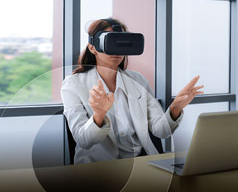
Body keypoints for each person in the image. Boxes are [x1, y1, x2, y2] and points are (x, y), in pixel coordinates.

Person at [61, 18, 204, 164]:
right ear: (92, 48)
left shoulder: (138, 80)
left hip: (140, 164)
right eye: (111, 41)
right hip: (100, 167)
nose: (117, 49)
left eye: (122, 42)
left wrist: (175, 108)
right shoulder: (72, 85)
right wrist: (99, 115)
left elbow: (161, 131)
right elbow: (83, 140)